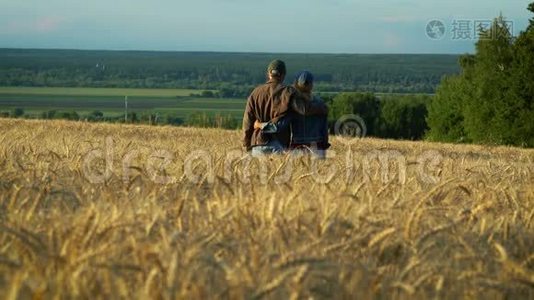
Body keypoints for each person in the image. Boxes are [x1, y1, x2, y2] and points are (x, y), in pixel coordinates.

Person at [242, 60, 327, 156]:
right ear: (283, 75)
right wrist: (321, 108)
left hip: (257, 144)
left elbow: (247, 121)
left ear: (269, 73)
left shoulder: (255, 92)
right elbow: (304, 110)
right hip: (277, 144)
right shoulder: (288, 92)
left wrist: (247, 144)